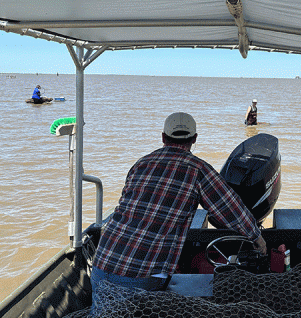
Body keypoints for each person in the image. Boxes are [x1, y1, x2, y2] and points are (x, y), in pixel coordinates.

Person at [91, 112, 266, 296]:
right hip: (142, 275)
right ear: (195, 139)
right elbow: (232, 210)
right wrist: (258, 239)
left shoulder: (140, 164)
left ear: (163, 137)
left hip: (102, 263)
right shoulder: (198, 169)